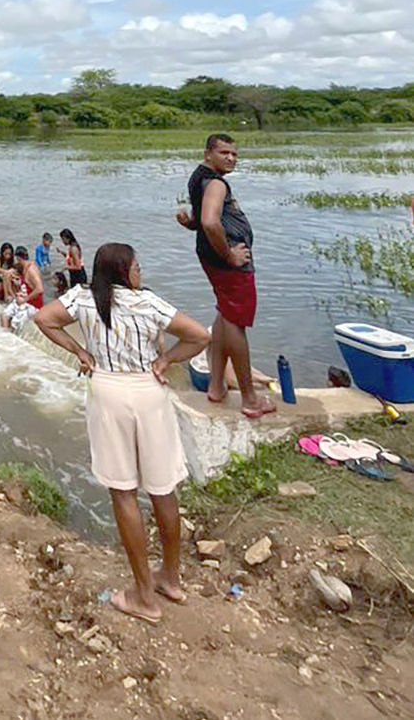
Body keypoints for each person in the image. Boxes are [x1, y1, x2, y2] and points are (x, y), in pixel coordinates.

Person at [33, 243, 210, 625]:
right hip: (150, 392)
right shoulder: (148, 303)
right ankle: (171, 579)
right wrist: (166, 360)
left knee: (124, 492)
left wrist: (81, 352)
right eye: (137, 267)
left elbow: (43, 319)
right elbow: (199, 336)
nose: (140, 273)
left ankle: (144, 594)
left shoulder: (84, 299)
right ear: (123, 272)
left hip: (109, 392)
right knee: (163, 489)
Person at [176, 133, 275, 419]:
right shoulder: (217, 183)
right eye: (224, 153)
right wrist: (231, 255)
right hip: (228, 263)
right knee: (235, 323)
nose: (230, 158)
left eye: (234, 154)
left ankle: (217, 385)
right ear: (208, 154)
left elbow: (202, 219)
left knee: (224, 314)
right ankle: (249, 399)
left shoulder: (200, 176)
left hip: (211, 257)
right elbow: (210, 221)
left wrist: (189, 224)